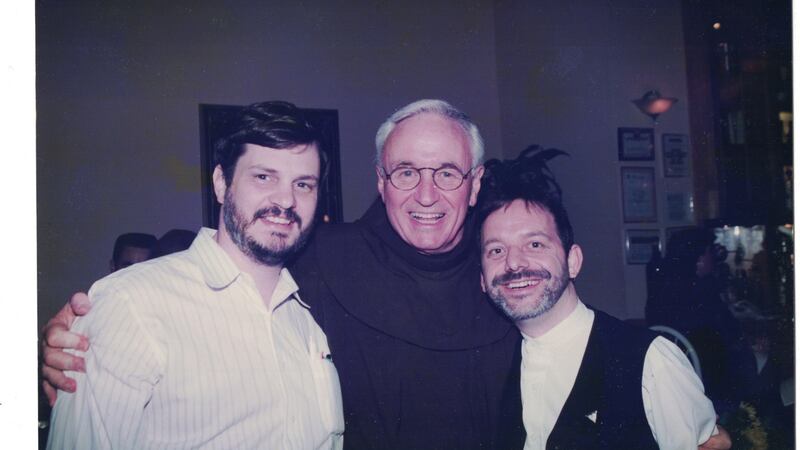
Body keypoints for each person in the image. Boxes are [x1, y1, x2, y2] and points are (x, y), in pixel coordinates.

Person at [42, 100, 730, 450]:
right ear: (381, 179)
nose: (425, 194)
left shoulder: (503, 276)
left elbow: (582, 350)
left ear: (474, 182)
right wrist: (78, 331)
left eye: (446, 173)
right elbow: (204, 266)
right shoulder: (316, 253)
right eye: (406, 171)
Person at [46, 101, 344, 449]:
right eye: (264, 177)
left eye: (304, 185)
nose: (286, 199)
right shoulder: (131, 304)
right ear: (221, 183)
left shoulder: (306, 319)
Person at [477, 147, 722, 449]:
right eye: (496, 250)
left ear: (573, 262)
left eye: (535, 244)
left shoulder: (651, 362)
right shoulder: (490, 367)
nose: (514, 263)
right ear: (483, 281)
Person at [646, 227, 758, 417]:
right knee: (761, 361)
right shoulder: (704, 290)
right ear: (698, 258)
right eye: (709, 252)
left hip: (679, 376)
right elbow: (729, 334)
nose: (713, 257)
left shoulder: (663, 286)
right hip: (709, 377)